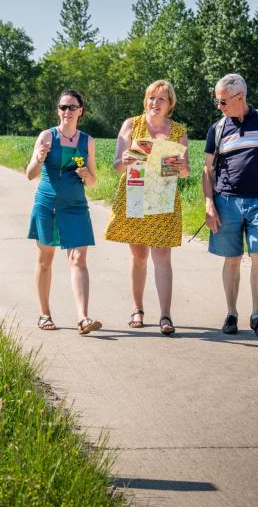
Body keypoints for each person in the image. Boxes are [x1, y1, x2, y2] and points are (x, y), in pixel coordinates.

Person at [202, 73, 258, 338]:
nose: (219, 106)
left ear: (239, 97)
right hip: (226, 201)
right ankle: (231, 313)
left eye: (222, 101)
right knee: (232, 260)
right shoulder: (217, 129)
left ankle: (257, 314)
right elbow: (207, 170)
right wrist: (209, 203)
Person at [104, 80, 190, 335]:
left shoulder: (178, 131)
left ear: (170, 104)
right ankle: (137, 309)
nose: (155, 103)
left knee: (162, 257)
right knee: (139, 256)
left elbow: (186, 171)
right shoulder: (132, 125)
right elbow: (117, 165)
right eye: (151, 98)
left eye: (161, 99)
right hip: (136, 194)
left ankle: (166, 316)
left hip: (163, 197)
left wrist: (179, 167)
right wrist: (129, 158)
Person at [27, 90, 102, 335]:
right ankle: (44, 314)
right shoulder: (47, 136)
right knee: (45, 259)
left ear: (81, 110)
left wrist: (87, 175)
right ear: (58, 110)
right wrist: (39, 158)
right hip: (47, 203)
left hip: (76, 206)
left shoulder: (87, 141)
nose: (67, 111)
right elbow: (30, 174)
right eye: (63, 107)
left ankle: (83, 318)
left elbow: (92, 183)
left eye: (72, 107)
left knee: (79, 258)